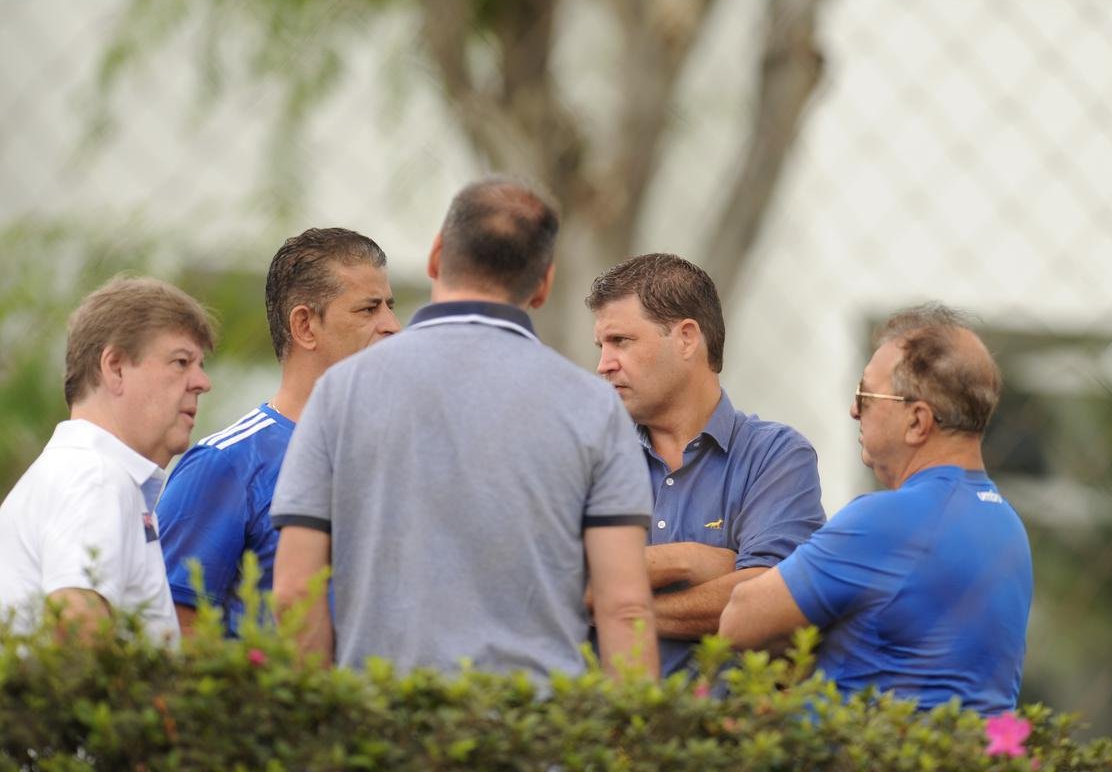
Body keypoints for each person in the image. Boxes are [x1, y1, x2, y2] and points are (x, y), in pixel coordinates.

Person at [271, 177, 658, 680]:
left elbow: (294, 592)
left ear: (436, 257)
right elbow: (624, 606)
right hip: (533, 737)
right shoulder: (593, 408)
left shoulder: (340, 392)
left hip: (379, 729)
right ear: (544, 283)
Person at [719, 303, 1033, 714]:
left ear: (918, 421)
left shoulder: (889, 520)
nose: (854, 410)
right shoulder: (1007, 525)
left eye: (865, 394)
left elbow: (738, 622)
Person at [587, 253, 825, 677]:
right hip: (597, 731)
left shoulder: (776, 456)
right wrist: (690, 560)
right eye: (601, 346)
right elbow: (547, 583)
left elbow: (774, 606)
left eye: (621, 341)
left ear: (686, 338)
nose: (603, 363)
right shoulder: (587, 456)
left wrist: (612, 604)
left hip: (724, 735)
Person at [156, 228, 400, 635]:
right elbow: (176, 630)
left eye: (390, 307)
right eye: (368, 309)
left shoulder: (400, 450)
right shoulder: (226, 462)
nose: (392, 325)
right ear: (305, 326)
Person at [0, 277, 215, 642]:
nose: (202, 382)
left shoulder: (84, 470)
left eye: (199, 364)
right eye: (181, 362)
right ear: (114, 367)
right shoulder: (94, 476)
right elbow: (77, 630)